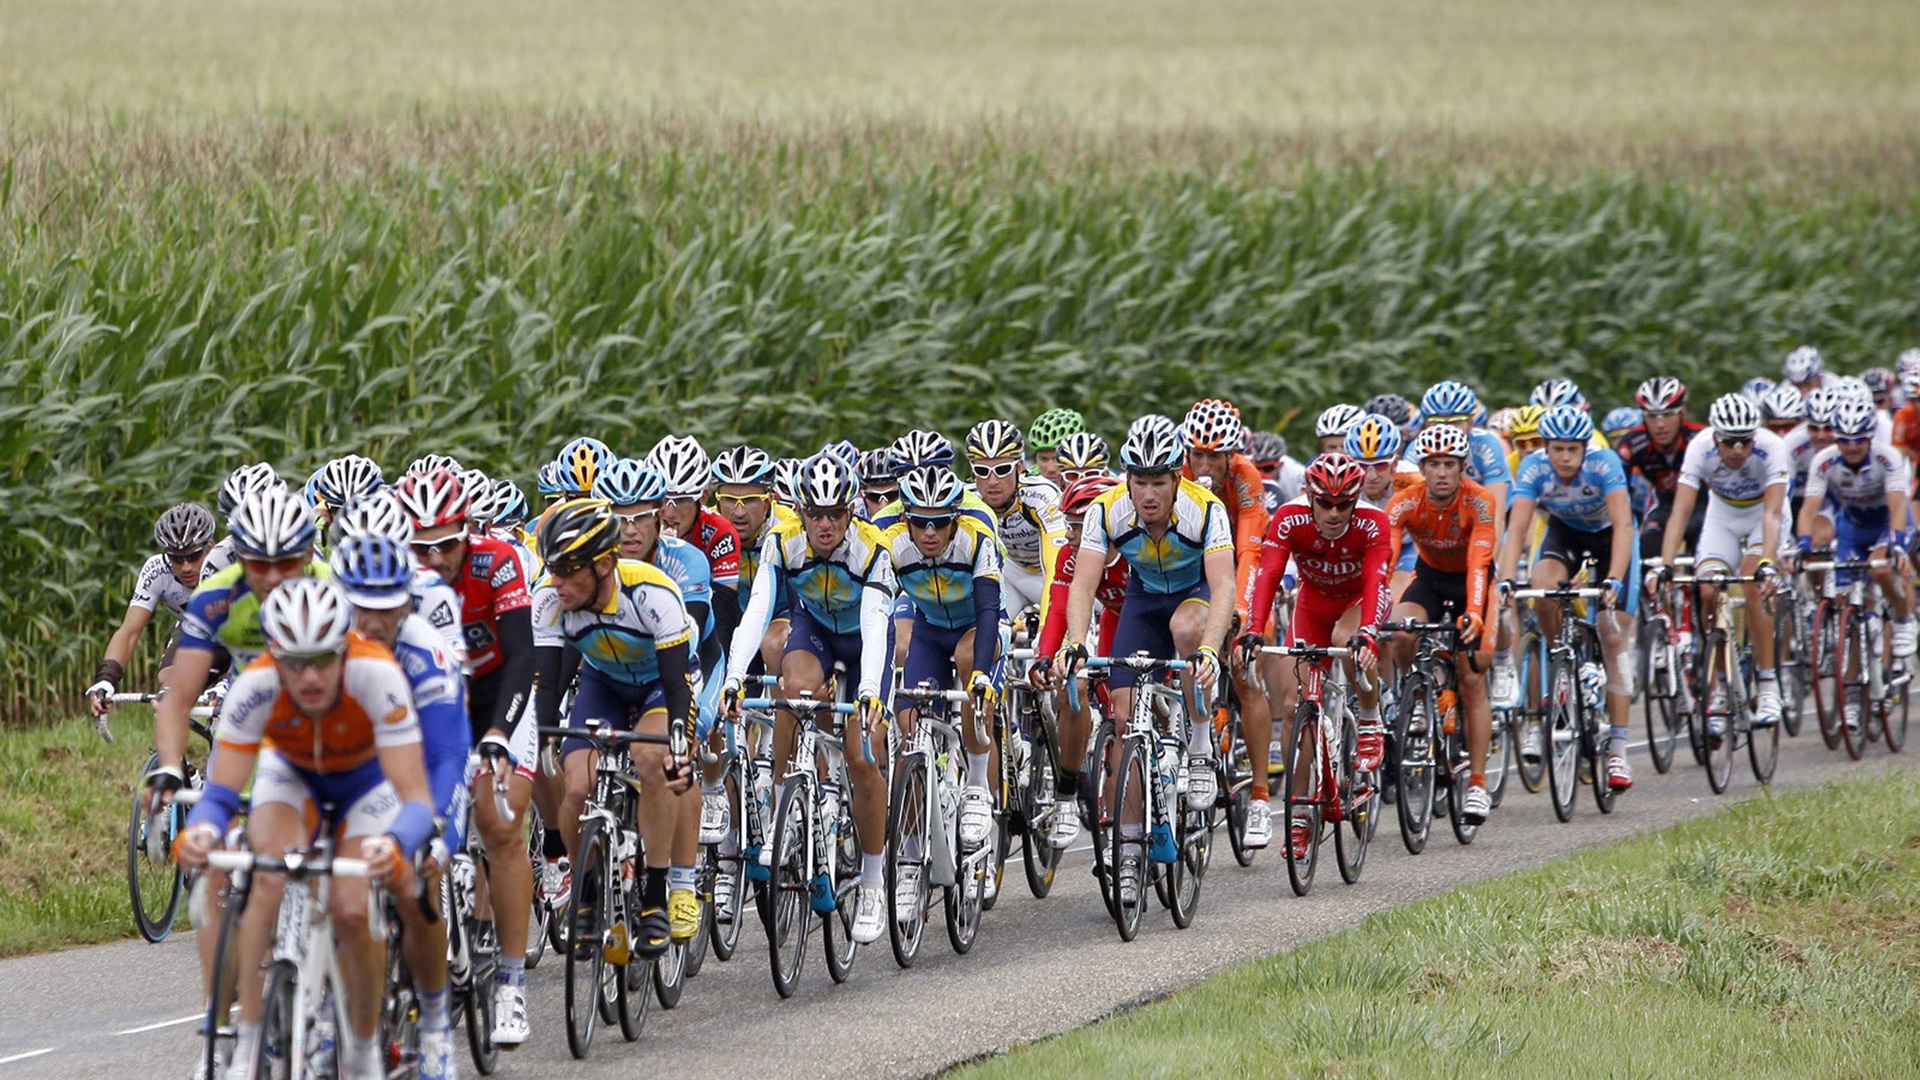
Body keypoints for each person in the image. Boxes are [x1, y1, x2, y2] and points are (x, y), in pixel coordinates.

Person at [175, 579, 435, 1080]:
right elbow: (222, 792)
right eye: (294, 662)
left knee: (351, 906)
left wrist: (396, 842)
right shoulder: (256, 687)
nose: (309, 676)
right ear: (274, 656)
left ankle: (360, 1048)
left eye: (322, 659)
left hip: (366, 782)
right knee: (263, 876)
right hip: (293, 774)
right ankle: (249, 1040)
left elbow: (416, 795)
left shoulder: (378, 675)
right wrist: (204, 831)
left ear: (344, 649)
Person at [1053, 416, 1235, 900]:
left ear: (1178, 478)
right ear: (1127, 480)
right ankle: (1129, 850)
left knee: (1186, 629)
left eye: (1158, 481)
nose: (1148, 493)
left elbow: (1224, 588)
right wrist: (1075, 641)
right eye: (1139, 482)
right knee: (1122, 717)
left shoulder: (1206, 510)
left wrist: (1211, 652)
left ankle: (1198, 744)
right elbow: (1084, 583)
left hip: (1193, 599)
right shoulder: (1106, 510)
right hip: (1143, 601)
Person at [721, 453, 897, 944]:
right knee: (790, 691)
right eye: (815, 513)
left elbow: (876, 624)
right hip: (816, 632)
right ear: (799, 511)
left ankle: (871, 881)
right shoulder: (783, 542)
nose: (824, 524)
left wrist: (867, 693)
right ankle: (783, 811)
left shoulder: (871, 548)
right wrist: (735, 676)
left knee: (862, 756)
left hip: (864, 642)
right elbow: (757, 610)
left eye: (835, 514)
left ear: (851, 511)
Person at [392, 466, 538, 1046]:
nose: (436, 558)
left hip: (499, 698)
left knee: (499, 825)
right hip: (432, 705)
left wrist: (500, 733)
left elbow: (525, 656)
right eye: (421, 547)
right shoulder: (394, 577)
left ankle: (510, 984)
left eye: (447, 544)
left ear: (467, 532)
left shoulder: (497, 562)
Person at [330, 535, 472, 1080]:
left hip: (425, 766)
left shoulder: (424, 650)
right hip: (357, 770)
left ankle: (435, 1023)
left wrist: (432, 829)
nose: (375, 618)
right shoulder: (322, 642)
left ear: (407, 602)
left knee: (416, 885)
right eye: (361, 604)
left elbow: (444, 755)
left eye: (389, 604)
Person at [532, 498, 698, 960]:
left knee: (653, 760)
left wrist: (679, 747)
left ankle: (655, 898)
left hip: (659, 687)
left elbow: (677, 685)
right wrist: (544, 738)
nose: (557, 581)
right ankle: (585, 892)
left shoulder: (652, 593)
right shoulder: (549, 598)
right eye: (552, 568)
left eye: (568, 569)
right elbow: (550, 684)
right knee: (576, 786)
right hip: (602, 683)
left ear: (604, 565)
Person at [1239, 454, 1391, 858]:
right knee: (1294, 708)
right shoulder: (1289, 518)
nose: (1335, 513)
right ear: (1310, 496)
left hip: (1358, 603)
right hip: (1313, 603)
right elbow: (1269, 576)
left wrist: (1370, 635)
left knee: (1349, 638)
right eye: (1326, 503)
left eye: (1345, 504)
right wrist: (1254, 628)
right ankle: (1301, 813)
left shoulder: (1373, 522)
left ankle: (1370, 716)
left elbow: (1377, 580)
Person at [1499, 405, 1639, 790]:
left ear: (1584, 448)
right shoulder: (1533, 468)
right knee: (1542, 589)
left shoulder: (1605, 463)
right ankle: (1561, 653)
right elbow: (1518, 527)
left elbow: (1625, 524)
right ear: (1546, 448)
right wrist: (1507, 580)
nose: (1564, 458)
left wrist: (1612, 579)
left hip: (1612, 536)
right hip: (1567, 533)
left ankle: (1618, 752)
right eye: (1557, 449)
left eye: (1572, 450)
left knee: (1613, 639)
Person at [885, 465, 1003, 903]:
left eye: (940, 522)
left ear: (956, 517)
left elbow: (990, 610)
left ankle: (976, 787)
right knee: (910, 725)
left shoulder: (976, 540)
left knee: (972, 668)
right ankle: (913, 857)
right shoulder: (893, 546)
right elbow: (878, 613)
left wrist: (980, 678)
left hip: (977, 628)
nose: (930, 532)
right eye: (920, 521)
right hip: (930, 631)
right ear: (906, 520)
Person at [1385, 426, 1500, 825]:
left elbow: (1478, 563)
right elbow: (1385, 563)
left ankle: (1479, 785)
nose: (1441, 473)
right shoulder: (1403, 503)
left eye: (1449, 464)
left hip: (1473, 581)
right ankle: (1414, 694)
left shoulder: (1480, 502)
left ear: (1462, 467)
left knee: (1471, 679)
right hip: (1430, 578)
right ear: (1422, 467)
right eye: (1433, 464)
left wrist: (1475, 611)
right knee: (1400, 628)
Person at [1659, 393, 1791, 734]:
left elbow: (1774, 514)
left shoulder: (1772, 447)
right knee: (1707, 590)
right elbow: (1681, 512)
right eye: (1729, 442)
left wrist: (1767, 562)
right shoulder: (1699, 447)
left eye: (1745, 441)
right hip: (1724, 513)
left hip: (1764, 513)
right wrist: (1667, 564)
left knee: (1752, 583)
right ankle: (1718, 684)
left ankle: (1767, 684)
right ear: (1715, 436)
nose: (1737, 450)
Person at [1032, 474, 1127, 848]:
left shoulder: (1134, 551)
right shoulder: (1069, 555)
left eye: (1079, 526)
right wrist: (1044, 657)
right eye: (1068, 524)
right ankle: (1067, 795)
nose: (1070, 535)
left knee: (1135, 693)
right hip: (1100, 618)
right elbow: (1058, 609)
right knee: (1076, 687)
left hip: (1133, 619)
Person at [87, 504, 233, 730]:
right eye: (176, 558)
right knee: (167, 684)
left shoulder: (228, 565)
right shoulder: (156, 571)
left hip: (239, 636)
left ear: (210, 547)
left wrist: (229, 681)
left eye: (194, 556)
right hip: (195, 632)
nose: (185, 567)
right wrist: (106, 679)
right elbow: (129, 632)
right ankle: (175, 763)